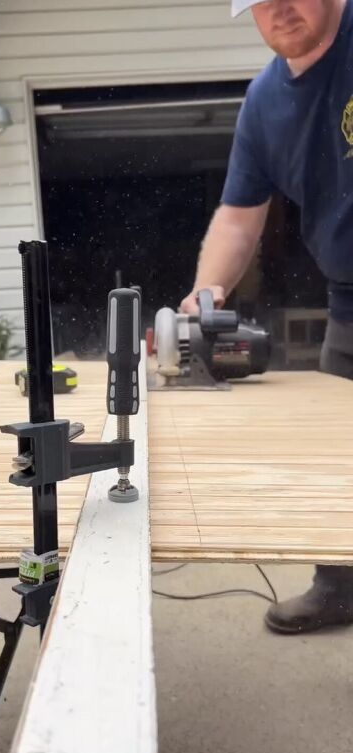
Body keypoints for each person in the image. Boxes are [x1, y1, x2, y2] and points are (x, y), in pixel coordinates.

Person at [180, 0, 353, 634]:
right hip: (348, 305)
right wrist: (206, 294)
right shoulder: (264, 102)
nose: (278, 7)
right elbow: (238, 215)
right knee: (340, 460)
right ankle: (340, 587)